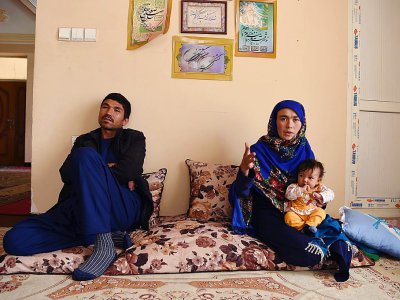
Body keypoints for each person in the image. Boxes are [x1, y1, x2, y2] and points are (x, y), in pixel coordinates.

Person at [3, 93, 153, 281]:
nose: (109, 112)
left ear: (125, 120)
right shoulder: (85, 140)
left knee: (85, 157)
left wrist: (92, 169)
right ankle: (103, 236)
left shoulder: (134, 138)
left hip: (121, 206)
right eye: (105, 107)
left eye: (116, 110)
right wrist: (107, 168)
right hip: (80, 210)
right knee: (14, 241)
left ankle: (105, 247)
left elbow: (128, 170)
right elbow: (66, 174)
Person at [229, 100, 352, 282]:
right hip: (268, 212)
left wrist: (320, 199)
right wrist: (244, 171)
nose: (289, 125)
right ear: (274, 121)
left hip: (300, 209)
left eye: (295, 119)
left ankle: (338, 253)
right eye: (283, 118)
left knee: (332, 228)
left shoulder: (304, 149)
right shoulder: (258, 151)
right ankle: (323, 249)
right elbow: (241, 193)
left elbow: (313, 185)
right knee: (306, 252)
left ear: (302, 124)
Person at [284, 159, 334, 235]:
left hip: (312, 212)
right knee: (288, 217)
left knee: (321, 212)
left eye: (310, 178)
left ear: (318, 180)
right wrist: (300, 190)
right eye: (301, 175)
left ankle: (310, 225)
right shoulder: (294, 186)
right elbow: (288, 195)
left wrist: (320, 196)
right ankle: (304, 228)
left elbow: (331, 194)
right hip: (296, 212)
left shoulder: (319, 187)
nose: (305, 180)